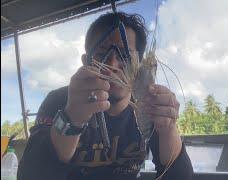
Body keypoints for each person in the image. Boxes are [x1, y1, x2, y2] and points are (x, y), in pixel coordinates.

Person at [17, 12, 193, 180]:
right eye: (102, 55)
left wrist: (168, 128)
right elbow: (29, 175)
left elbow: (179, 176)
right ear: (86, 62)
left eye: (124, 55)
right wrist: (71, 118)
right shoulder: (60, 101)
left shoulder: (149, 105)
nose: (112, 66)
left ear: (138, 64)